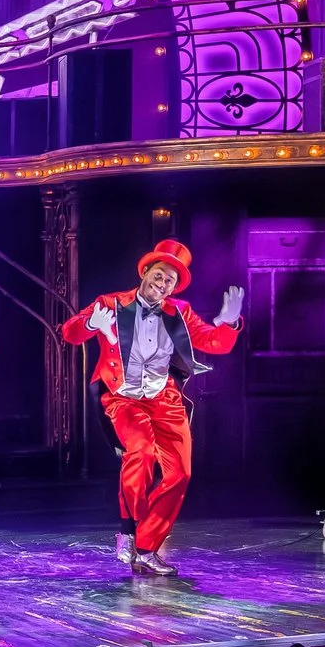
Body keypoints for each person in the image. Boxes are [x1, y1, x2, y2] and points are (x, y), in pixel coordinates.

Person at [58, 238, 245, 577]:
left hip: (165, 399)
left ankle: (146, 548)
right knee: (141, 452)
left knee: (180, 474)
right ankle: (127, 531)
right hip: (123, 397)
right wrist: (90, 325)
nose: (162, 284)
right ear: (145, 272)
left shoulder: (180, 311)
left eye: (169, 281)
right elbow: (69, 334)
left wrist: (229, 323)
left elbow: (213, 342)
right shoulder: (111, 304)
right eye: (159, 275)